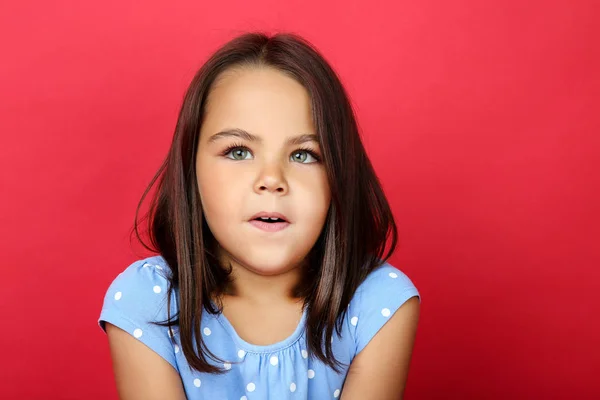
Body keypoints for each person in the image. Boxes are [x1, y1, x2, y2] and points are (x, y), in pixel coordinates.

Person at [98, 31, 421, 400]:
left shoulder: (378, 301)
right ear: (191, 168)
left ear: (339, 178)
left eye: (304, 155)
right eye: (238, 151)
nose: (272, 180)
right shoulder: (148, 301)